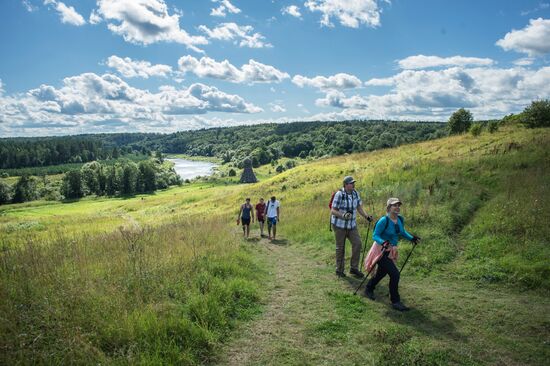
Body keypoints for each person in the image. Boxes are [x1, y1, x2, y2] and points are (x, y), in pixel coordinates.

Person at [363, 198, 420, 311]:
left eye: (399, 205)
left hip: (390, 251)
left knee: (381, 273)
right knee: (395, 274)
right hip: (380, 250)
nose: (397, 207)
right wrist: (383, 242)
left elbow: (402, 232)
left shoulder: (399, 219)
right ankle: (395, 301)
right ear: (389, 207)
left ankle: (369, 288)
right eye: (395, 205)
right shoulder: (384, 220)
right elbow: (375, 235)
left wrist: (412, 238)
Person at [330, 176, 373, 278]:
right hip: (339, 225)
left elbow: (359, 207)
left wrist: (366, 217)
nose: (353, 184)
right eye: (351, 183)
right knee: (340, 248)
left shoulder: (355, 193)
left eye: (353, 183)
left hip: (351, 225)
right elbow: (333, 210)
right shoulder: (339, 194)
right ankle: (339, 270)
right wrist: (343, 215)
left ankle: (354, 268)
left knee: (357, 244)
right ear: (345, 184)